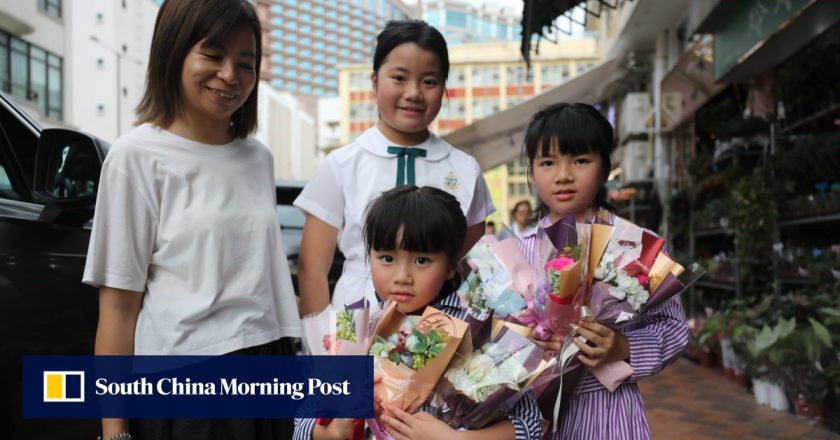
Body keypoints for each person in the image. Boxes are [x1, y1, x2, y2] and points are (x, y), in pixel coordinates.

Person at [83, 1, 300, 438]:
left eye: (246, 62)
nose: (230, 75)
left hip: (267, 363)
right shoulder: (135, 158)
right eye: (213, 55)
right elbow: (119, 310)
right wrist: (114, 432)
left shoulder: (258, 158)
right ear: (174, 51)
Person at [293, 186, 544, 440]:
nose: (402, 277)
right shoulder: (354, 325)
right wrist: (331, 431)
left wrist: (456, 439)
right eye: (387, 258)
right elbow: (303, 420)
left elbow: (531, 424)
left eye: (421, 260)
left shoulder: (477, 327)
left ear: (450, 264)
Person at [294, 20, 495, 317]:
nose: (414, 92)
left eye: (429, 81)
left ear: (444, 87)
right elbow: (312, 270)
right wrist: (321, 349)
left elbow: (474, 270)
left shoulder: (465, 169)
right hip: (354, 322)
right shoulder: (341, 165)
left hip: (441, 329)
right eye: (399, 78)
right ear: (374, 82)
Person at [516, 103, 690, 439]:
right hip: (531, 414)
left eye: (580, 160)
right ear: (532, 170)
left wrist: (623, 347)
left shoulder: (639, 246)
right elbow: (489, 335)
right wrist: (529, 339)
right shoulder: (517, 252)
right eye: (547, 162)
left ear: (605, 167)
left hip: (608, 410)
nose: (563, 175)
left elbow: (674, 328)